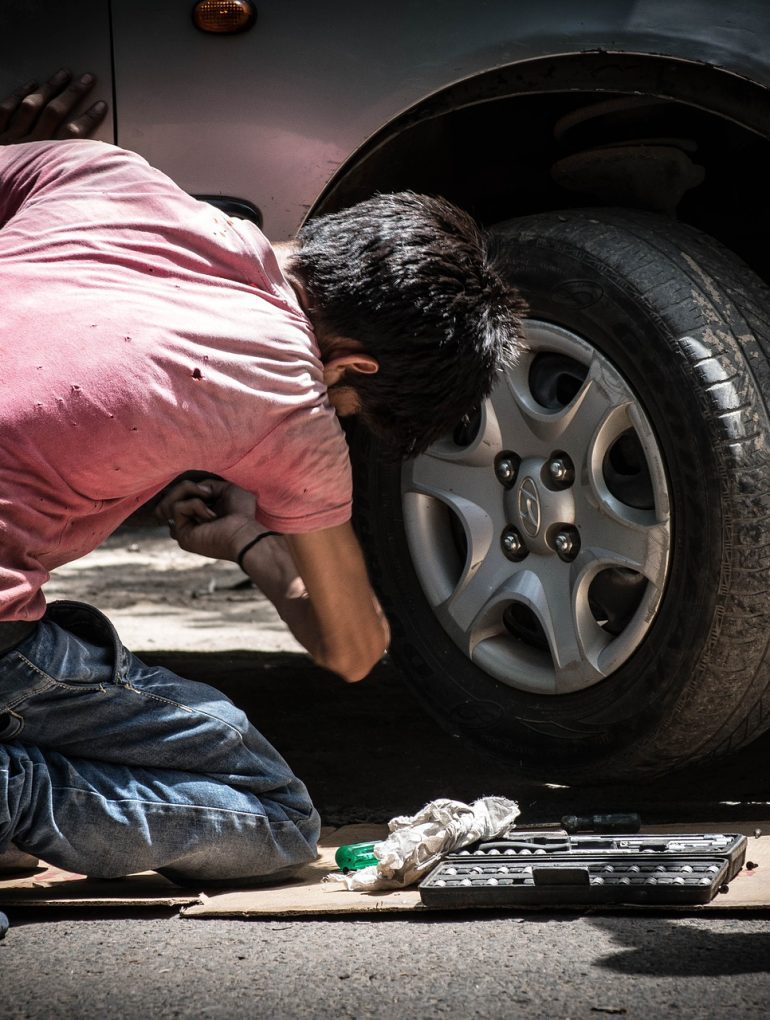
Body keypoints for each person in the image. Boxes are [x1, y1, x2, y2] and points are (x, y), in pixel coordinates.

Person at [0, 73, 523, 885]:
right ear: (350, 365)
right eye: (351, 404)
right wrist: (253, 542)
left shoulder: (101, 173)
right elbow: (352, 648)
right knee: (273, 818)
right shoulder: (292, 402)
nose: (336, 413)